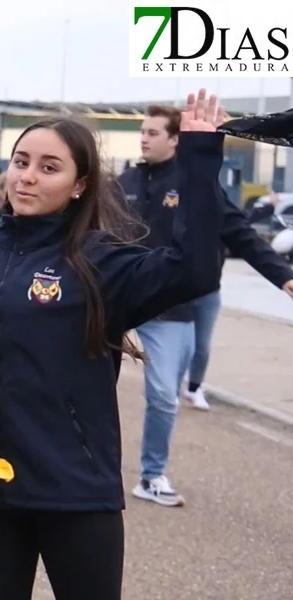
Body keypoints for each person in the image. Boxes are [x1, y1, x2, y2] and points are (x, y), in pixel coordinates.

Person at [0, 90, 227, 600]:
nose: (27, 175)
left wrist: (201, 159)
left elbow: (195, 268)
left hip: (75, 493)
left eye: (49, 167)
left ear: (80, 185)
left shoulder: (101, 263)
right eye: (21, 162)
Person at [118, 104, 293, 507]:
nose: (144, 137)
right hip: (120, 297)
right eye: (142, 131)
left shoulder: (199, 185)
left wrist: (283, 275)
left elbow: (240, 233)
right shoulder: (122, 183)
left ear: (175, 139)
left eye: (153, 132)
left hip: (172, 309)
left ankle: (151, 474)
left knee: (163, 395)